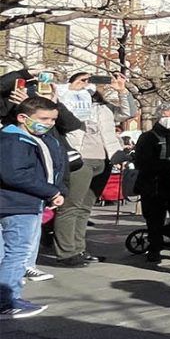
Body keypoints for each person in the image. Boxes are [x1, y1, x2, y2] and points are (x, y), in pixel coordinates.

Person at [0, 97, 67, 318]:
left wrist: (55, 191)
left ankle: (10, 298)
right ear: (23, 117)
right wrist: (50, 191)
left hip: (25, 201)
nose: (48, 123)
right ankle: (6, 302)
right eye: (43, 119)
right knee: (17, 253)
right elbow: (15, 174)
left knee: (12, 253)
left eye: (53, 119)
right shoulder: (14, 140)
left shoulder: (39, 139)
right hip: (17, 203)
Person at [50, 83, 122, 267]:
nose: (89, 84)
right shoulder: (67, 101)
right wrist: (62, 95)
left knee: (85, 208)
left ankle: (79, 248)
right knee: (71, 206)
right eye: (83, 80)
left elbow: (127, 112)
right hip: (80, 158)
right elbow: (65, 121)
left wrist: (123, 90)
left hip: (104, 159)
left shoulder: (104, 108)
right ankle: (66, 252)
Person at [133, 104, 170, 263]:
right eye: (166, 116)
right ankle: (154, 248)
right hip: (152, 184)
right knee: (154, 218)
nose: (169, 120)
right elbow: (142, 161)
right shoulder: (148, 137)